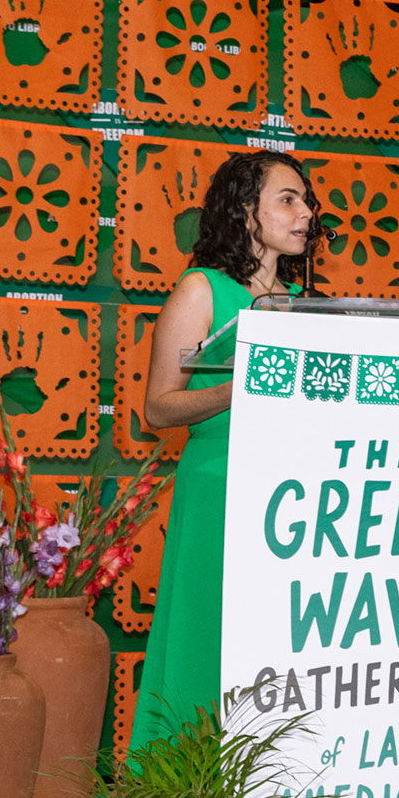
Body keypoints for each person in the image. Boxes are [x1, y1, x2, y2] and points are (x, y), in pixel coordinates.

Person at [130, 150, 319, 753]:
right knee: (205, 635)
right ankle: (186, 796)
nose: (305, 213)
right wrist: (241, 383)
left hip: (291, 494)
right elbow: (158, 409)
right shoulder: (201, 289)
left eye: (307, 201)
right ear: (244, 212)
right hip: (219, 485)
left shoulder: (300, 300)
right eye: (287, 199)